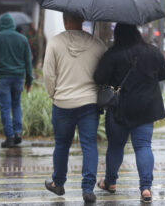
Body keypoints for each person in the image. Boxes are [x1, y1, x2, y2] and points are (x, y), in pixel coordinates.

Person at [93, 23, 165, 204]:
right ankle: (145, 188)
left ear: (117, 35)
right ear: (137, 33)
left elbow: (98, 78)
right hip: (146, 108)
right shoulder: (152, 51)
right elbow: (164, 73)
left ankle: (110, 182)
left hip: (120, 108)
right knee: (143, 146)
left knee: (115, 146)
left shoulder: (112, 54)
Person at [42, 12, 106, 203]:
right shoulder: (97, 44)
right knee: (89, 145)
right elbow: (104, 73)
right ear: (82, 20)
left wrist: (53, 94)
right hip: (89, 103)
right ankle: (88, 189)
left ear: (64, 20)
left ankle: (58, 182)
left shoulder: (54, 42)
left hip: (62, 102)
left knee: (62, 144)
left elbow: (48, 74)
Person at [0, 13, 33, 148]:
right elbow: (28, 62)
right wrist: (29, 80)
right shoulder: (23, 39)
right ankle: (18, 132)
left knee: (5, 107)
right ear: (13, 25)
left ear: (1, 25)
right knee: (16, 105)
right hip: (19, 78)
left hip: (2, 78)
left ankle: (10, 137)